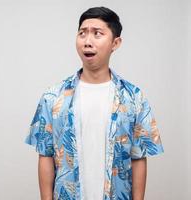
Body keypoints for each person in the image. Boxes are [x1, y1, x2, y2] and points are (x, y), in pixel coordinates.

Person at [25, 6, 164, 200]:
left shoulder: (134, 97)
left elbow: (138, 157)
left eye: (97, 34)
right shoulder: (53, 97)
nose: (87, 41)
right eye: (82, 33)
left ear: (115, 43)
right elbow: (45, 155)